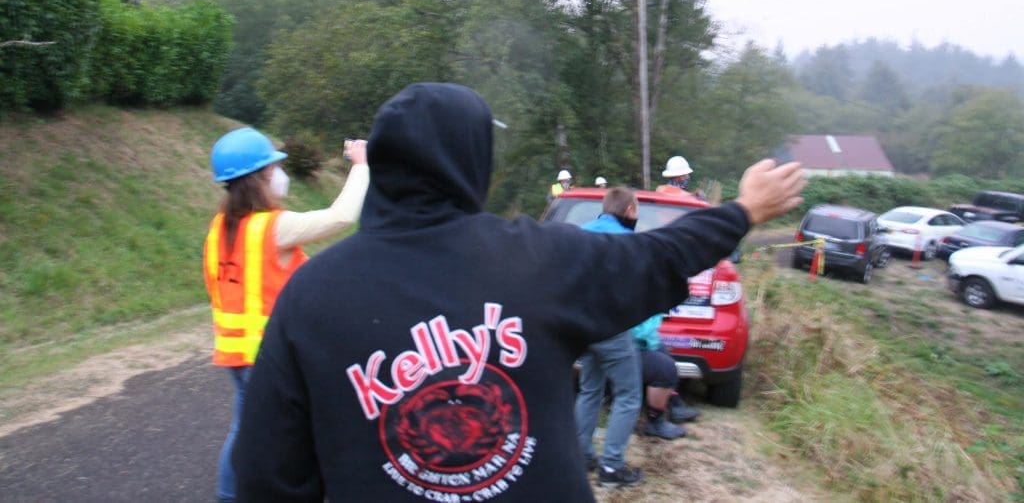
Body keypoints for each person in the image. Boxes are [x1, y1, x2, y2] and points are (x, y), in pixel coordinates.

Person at [232, 83, 805, 502]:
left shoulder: (311, 293)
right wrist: (743, 211)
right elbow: (660, 256)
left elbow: (267, 473)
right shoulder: (540, 259)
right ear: (472, 160)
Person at [202, 127, 369, 503]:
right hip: (268, 356)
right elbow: (342, 217)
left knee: (245, 428)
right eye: (274, 168)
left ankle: (230, 494)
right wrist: (362, 165)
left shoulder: (220, 229)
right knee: (294, 424)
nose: (281, 174)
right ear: (259, 179)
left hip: (236, 354)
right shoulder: (273, 228)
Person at [574, 188, 644, 488]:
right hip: (611, 328)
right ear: (629, 210)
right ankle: (611, 468)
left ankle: (581, 457)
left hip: (582, 327)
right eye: (637, 210)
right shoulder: (629, 241)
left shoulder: (580, 233)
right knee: (628, 395)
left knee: (590, 389)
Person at [630, 314, 699, 439]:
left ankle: (674, 405)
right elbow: (639, 332)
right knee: (665, 369)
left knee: (662, 350)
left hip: (635, 343)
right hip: (621, 347)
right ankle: (654, 422)